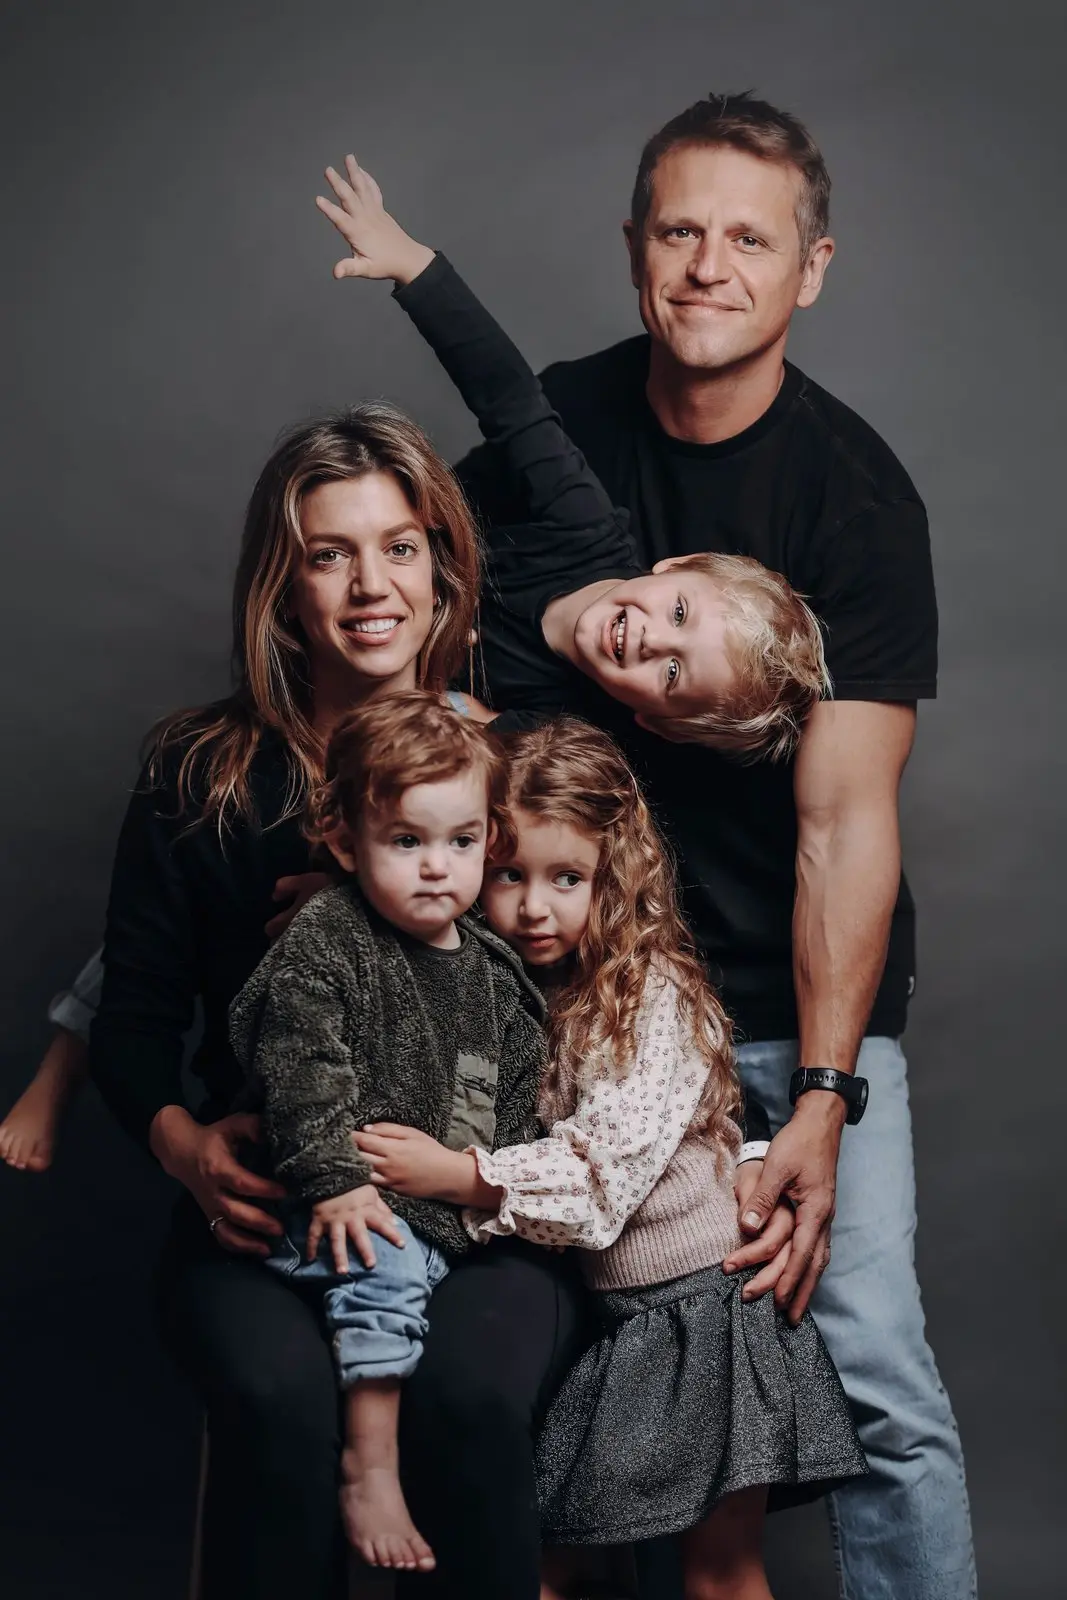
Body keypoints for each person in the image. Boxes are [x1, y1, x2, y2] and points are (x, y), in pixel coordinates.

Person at [456, 91, 973, 1600]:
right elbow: (423, 654)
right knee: (533, 1367)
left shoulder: (856, 501)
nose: (706, 266)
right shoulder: (549, 430)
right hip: (572, 1002)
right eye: (677, 230)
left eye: (748, 238)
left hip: (775, 1007)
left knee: (874, 1379)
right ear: (633, 249)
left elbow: (840, 819)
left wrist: (818, 1098)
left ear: (806, 269)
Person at [81, 392, 586, 1600]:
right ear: (283, 584)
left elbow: (581, 980)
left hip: (475, 1204)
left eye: (399, 547)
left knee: (466, 1393)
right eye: (330, 552)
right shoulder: (201, 773)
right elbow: (135, 1016)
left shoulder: (514, 762)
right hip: (264, 1202)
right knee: (275, 1399)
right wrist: (189, 1148)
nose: (372, 585)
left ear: (441, 569)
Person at [353, 717, 867, 1600]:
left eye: (566, 878)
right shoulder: (510, 988)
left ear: (614, 878)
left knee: (717, 1573)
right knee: (552, 1560)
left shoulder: (648, 994)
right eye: (509, 874)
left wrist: (458, 1176)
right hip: (620, 1325)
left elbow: (605, 1176)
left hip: (707, 1314)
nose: (532, 907)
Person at [229, 691, 548, 1574]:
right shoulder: (330, 936)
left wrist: (480, 1184)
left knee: (461, 1335)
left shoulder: (493, 976)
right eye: (406, 842)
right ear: (343, 841)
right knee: (388, 1266)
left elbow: (510, 1105)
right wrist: (335, 1178)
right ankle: (368, 1466)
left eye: (462, 841)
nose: (437, 868)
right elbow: (299, 1064)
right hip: (328, 1205)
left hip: (445, 1219)